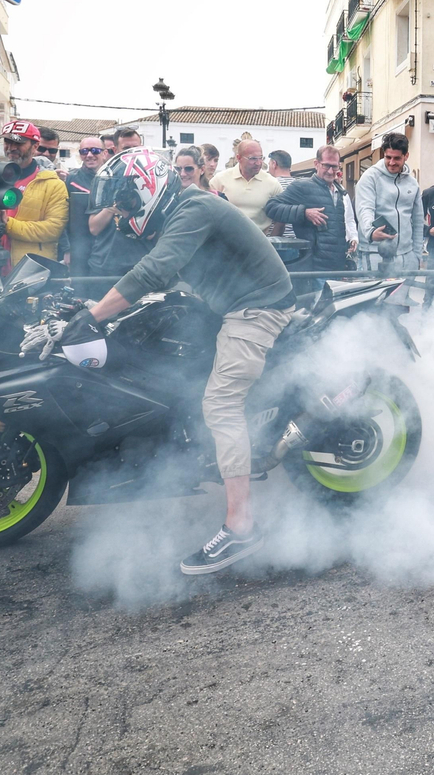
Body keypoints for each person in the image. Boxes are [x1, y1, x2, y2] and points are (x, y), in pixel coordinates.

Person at [80, 149, 295, 574]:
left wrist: (91, 317)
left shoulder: (194, 207)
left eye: (123, 202)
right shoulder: (177, 210)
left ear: (146, 189)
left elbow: (153, 271)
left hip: (257, 307)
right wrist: (98, 308)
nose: (119, 213)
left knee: (220, 403)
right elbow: (145, 273)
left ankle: (242, 526)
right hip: (223, 302)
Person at [267, 144, 356, 274]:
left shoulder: (340, 191)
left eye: (334, 166)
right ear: (316, 164)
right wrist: (304, 213)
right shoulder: (302, 186)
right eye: (326, 165)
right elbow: (271, 207)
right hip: (313, 268)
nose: (331, 171)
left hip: (337, 268)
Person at [354, 132, 425, 275]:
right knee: (375, 296)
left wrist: (417, 255)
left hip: (407, 255)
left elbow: (418, 220)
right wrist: (370, 232)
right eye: (388, 157)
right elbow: (364, 209)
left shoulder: (412, 183)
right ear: (383, 155)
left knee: (402, 297)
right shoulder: (369, 177)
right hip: (374, 253)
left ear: (406, 156)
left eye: (397, 158)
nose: (392, 162)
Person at [0, 120, 68, 266]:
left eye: (18, 143)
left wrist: (7, 224)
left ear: (35, 146)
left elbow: (53, 229)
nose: (11, 148)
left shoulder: (54, 184)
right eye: (7, 142)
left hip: (31, 270)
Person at [211, 140, 283, 233]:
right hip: (225, 242)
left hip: (259, 242)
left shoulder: (273, 183)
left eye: (261, 158)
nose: (258, 163)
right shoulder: (219, 180)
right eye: (252, 158)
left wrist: (271, 242)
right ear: (239, 158)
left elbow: (281, 218)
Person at [63, 136, 109, 270]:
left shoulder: (113, 179)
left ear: (104, 153)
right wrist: (67, 249)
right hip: (78, 249)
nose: (89, 155)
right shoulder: (70, 179)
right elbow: (62, 216)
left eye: (95, 151)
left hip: (105, 249)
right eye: (84, 151)